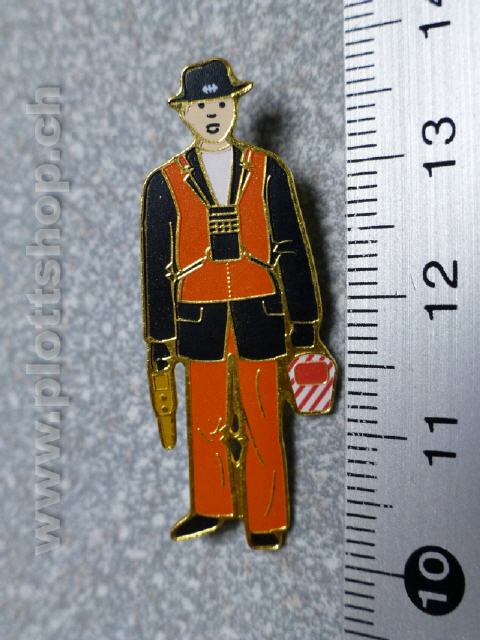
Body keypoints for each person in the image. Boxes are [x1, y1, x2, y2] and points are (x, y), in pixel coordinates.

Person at [141, 58, 334, 550]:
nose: (212, 114)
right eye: (201, 106)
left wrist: (306, 324)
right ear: (184, 113)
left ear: (234, 106)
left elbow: (292, 246)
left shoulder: (268, 172)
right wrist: (160, 338)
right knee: (205, 418)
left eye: (221, 103)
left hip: (259, 311)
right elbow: (158, 265)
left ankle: (268, 516)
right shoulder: (165, 182)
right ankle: (211, 504)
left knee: (263, 416)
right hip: (198, 316)